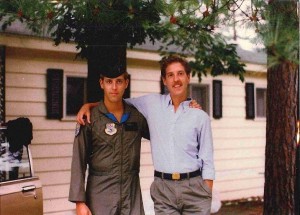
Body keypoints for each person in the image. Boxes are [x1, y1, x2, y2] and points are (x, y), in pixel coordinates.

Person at [77, 55, 215, 215]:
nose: (176, 79)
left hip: (194, 189)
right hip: (164, 191)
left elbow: (208, 159)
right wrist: (89, 105)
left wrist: (206, 192)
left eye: (180, 74)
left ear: (188, 77)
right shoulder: (152, 104)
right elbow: (117, 101)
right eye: (170, 75)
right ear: (164, 80)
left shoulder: (200, 117)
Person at [69, 66, 150, 215]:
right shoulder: (90, 118)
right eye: (109, 82)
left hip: (131, 195)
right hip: (101, 196)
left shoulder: (137, 117)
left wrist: (186, 106)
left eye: (119, 81)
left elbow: (161, 134)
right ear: (101, 83)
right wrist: (79, 203)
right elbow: (78, 161)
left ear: (126, 83)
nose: (114, 87)